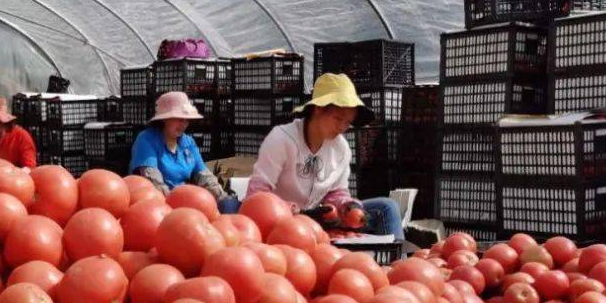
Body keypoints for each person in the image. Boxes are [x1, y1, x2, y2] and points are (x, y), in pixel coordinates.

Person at [246, 73, 404, 238]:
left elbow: (336, 192)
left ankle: (399, 262)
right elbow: (255, 198)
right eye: (338, 119)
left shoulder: (341, 148)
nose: (343, 127)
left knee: (387, 207)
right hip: (279, 224)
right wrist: (298, 212)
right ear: (318, 108)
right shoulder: (282, 139)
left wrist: (347, 206)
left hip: (316, 225)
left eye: (348, 122)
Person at [130, 91, 239, 212]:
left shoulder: (188, 142)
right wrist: (176, 207)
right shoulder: (147, 139)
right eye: (179, 119)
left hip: (184, 203)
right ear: (164, 119)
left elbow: (204, 175)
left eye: (186, 120)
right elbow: (153, 181)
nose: (184, 124)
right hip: (155, 207)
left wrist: (222, 198)